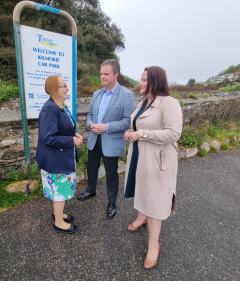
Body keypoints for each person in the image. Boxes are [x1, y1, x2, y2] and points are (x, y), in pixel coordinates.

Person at [123, 66, 183, 269]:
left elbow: (174, 133)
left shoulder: (169, 103)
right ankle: (141, 218)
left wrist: (142, 134)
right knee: (141, 190)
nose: (140, 83)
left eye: (144, 79)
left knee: (155, 201)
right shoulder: (144, 102)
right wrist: (130, 133)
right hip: (139, 156)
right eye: (140, 79)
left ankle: (153, 245)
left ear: (155, 81)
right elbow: (137, 125)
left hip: (158, 161)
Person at [77, 59, 135, 218]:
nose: (102, 77)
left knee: (111, 173)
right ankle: (91, 191)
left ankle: (112, 202)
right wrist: (90, 125)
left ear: (116, 74)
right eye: (101, 73)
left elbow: (127, 121)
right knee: (91, 167)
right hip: (94, 138)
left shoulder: (127, 95)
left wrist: (106, 127)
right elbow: (89, 116)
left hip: (112, 140)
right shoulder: (96, 94)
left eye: (106, 74)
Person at [35, 75, 83, 234]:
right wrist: (71, 141)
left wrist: (74, 136)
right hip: (56, 161)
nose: (68, 89)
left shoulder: (61, 106)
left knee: (59, 191)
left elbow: (64, 128)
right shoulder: (51, 108)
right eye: (64, 86)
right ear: (55, 89)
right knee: (59, 192)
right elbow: (48, 137)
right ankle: (59, 222)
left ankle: (59, 214)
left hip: (60, 158)